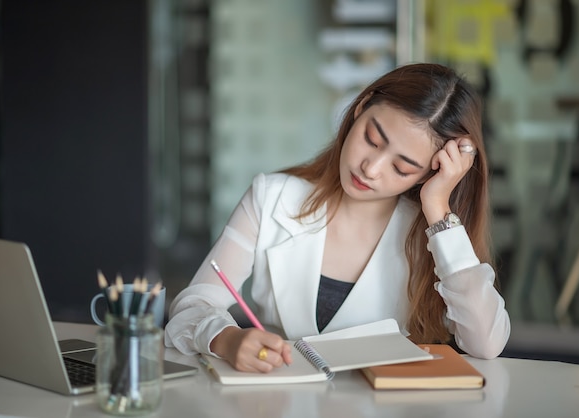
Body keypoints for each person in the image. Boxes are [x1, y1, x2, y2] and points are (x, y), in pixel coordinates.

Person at [164, 62, 511, 373]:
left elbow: (485, 343)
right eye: (372, 139)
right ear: (359, 108)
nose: (370, 168)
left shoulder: (429, 234)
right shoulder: (271, 198)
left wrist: (438, 208)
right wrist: (225, 339)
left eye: (402, 167)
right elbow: (193, 305)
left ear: (427, 174)